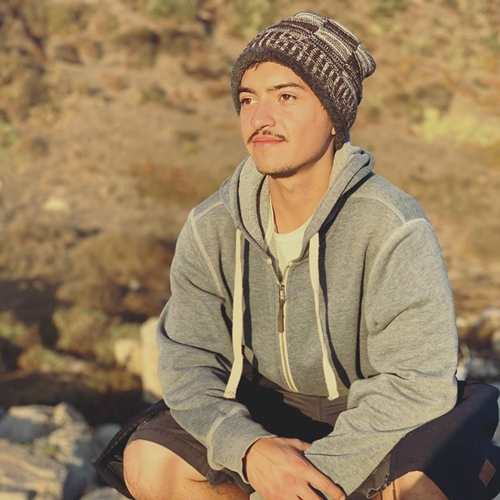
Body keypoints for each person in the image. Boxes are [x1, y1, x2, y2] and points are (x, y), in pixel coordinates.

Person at [120, 11, 463, 500]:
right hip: (266, 410)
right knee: (150, 461)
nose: (260, 118)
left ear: (334, 116)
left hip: (373, 412)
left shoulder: (392, 226)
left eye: (286, 96)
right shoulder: (211, 225)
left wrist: (308, 479)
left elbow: (417, 381)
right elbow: (188, 361)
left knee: (422, 486)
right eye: (248, 99)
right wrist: (250, 449)